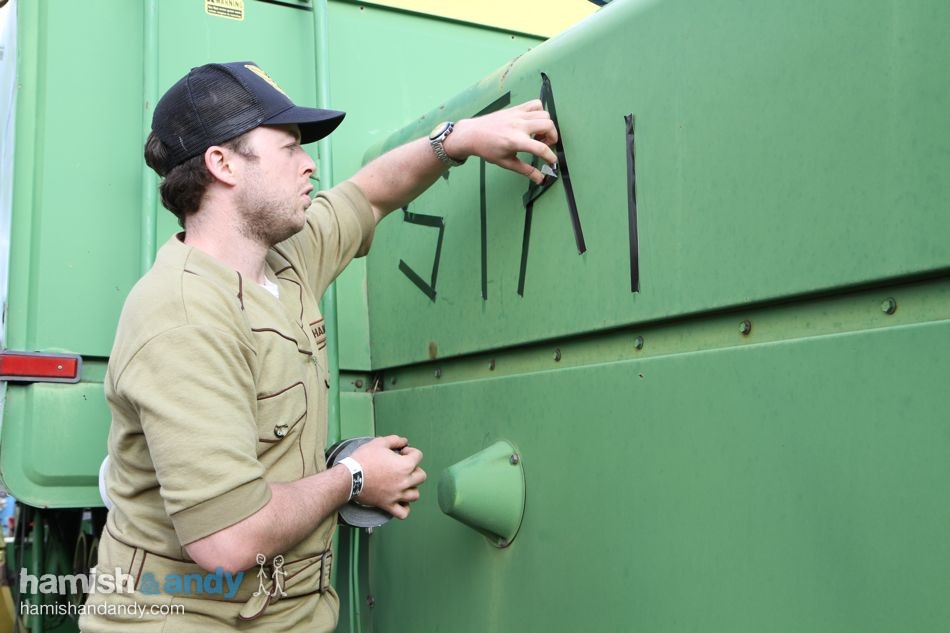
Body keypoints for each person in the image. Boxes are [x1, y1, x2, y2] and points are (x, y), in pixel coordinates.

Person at [80, 61, 557, 632]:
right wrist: (354, 477)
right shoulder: (183, 317)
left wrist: (457, 140)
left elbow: (370, 196)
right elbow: (227, 542)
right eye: (289, 148)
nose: (310, 163)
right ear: (222, 164)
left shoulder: (284, 261)